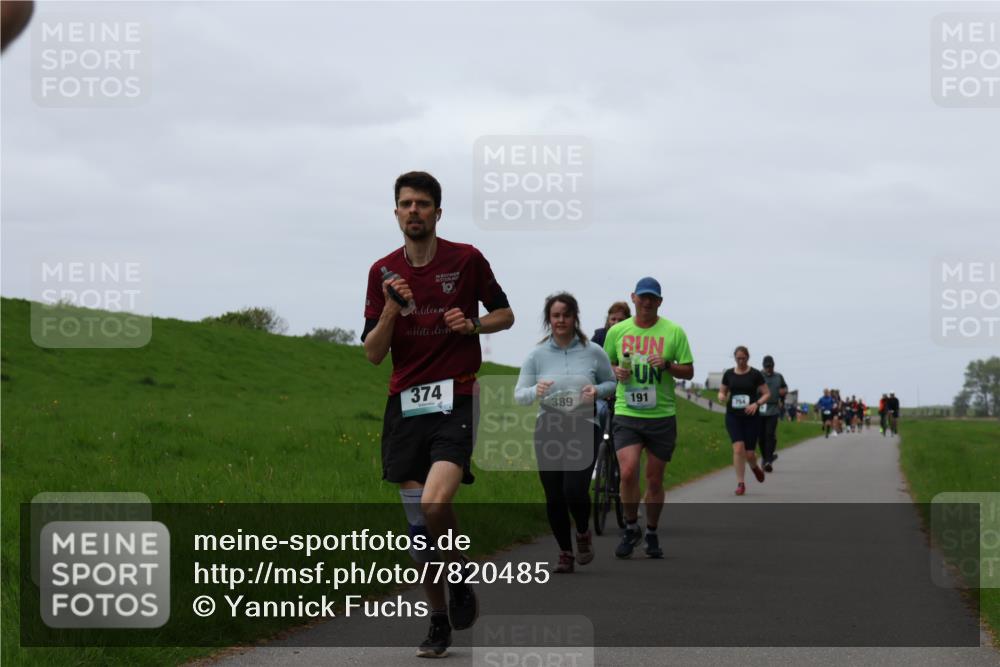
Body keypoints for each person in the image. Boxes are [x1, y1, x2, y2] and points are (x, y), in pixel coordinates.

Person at [362, 171, 515, 658]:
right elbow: (371, 353)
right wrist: (390, 309)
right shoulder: (382, 271)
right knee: (419, 535)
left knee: (433, 507)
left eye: (423, 204)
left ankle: (461, 576)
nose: (414, 211)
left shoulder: (466, 259)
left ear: (437, 212)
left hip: (457, 397)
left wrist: (472, 324)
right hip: (406, 405)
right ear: (396, 213)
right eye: (406, 204)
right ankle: (438, 620)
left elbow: (505, 313)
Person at [515, 293, 616, 573]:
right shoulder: (537, 354)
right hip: (549, 426)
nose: (561, 320)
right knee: (554, 494)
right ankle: (565, 552)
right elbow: (519, 395)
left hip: (584, 425)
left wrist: (597, 391)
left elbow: (611, 383)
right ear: (549, 319)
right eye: (556, 315)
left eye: (566, 315)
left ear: (575, 318)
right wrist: (535, 391)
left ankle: (583, 531)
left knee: (574, 489)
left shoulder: (593, 351)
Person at [603, 277, 694, 559]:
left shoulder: (674, 332)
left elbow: (689, 371)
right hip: (627, 412)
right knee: (628, 472)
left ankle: (652, 531)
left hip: (661, 415)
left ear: (660, 302)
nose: (647, 302)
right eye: (642, 297)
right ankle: (631, 527)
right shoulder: (617, 331)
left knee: (654, 480)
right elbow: (604, 363)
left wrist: (667, 365)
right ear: (633, 298)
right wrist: (615, 371)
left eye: (652, 298)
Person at [718, 347, 771, 496]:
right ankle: (741, 483)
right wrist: (721, 396)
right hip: (733, 416)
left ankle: (754, 468)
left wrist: (756, 404)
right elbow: (722, 391)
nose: (741, 361)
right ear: (735, 358)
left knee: (749, 454)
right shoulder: (728, 374)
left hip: (751, 417)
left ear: (748, 358)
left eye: (743, 358)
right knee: (738, 448)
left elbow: (767, 394)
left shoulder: (755, 374)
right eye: (738, 358)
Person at [758, 355, 787, 472]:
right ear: (763, 366)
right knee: (761, 437)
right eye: (766, 367)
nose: (768, 369)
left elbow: (784, 388)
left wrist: (783, 393)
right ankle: (766, 458)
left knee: (770, 435)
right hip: (760, 409)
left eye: (770, 367)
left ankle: (768, 460)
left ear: (773, 366)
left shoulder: (779, 376)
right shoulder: (758, 376)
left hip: (773, 408)